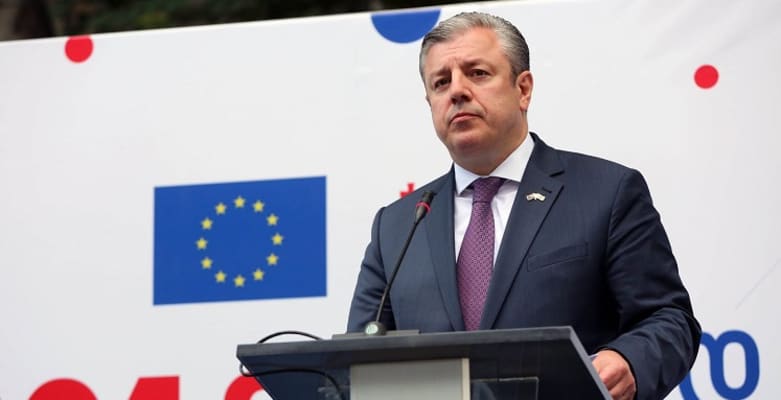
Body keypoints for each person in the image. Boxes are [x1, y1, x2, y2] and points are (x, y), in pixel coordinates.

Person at [347, 11, 700, 400]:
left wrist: (630, 360)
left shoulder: (607, 193)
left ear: (523, 89)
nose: (457, 91)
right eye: (441, 82)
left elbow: (668, 319)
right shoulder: (397, 227)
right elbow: (356, 363)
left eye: (477, 73)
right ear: (429, 102)